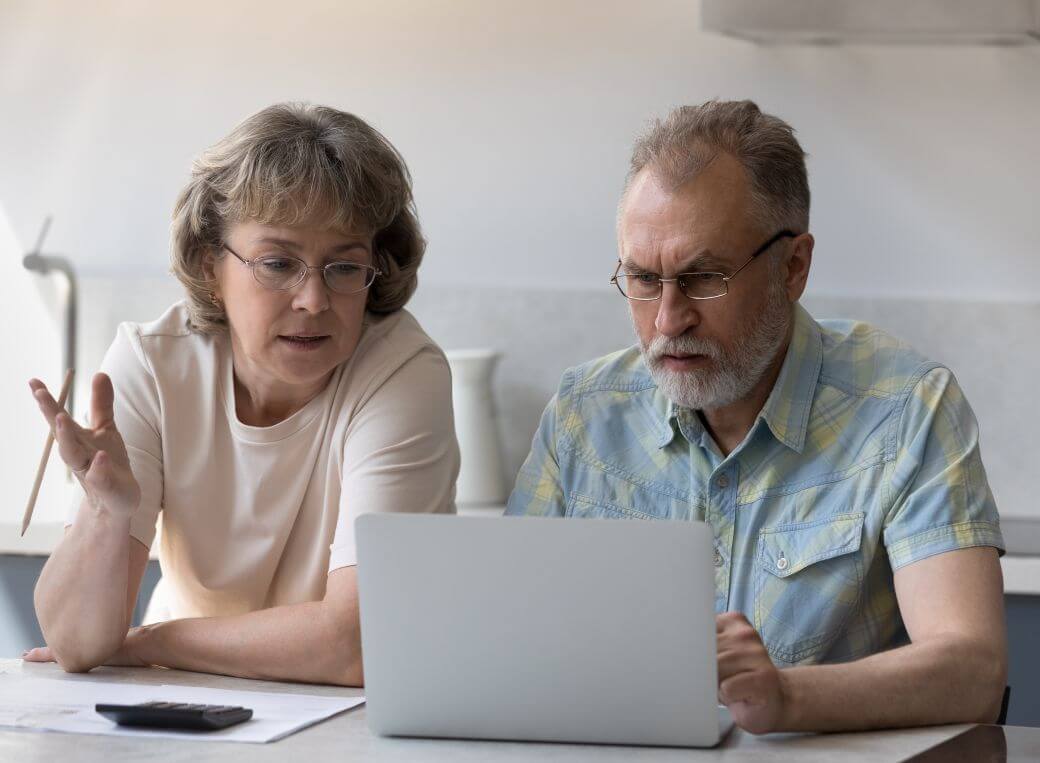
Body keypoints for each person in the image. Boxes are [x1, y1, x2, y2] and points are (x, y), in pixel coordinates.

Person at [506, 100, 1006, 733]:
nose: (667, 319)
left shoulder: (907, 410)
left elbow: (972, 672)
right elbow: (511, 641)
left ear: (792, 267)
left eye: (704, 277)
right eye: (641, 278)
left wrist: (787, 698)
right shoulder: (585, 412)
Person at [25, 103, 459, 685]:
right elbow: (77, 644)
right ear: (211, 267)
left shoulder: (401, 369)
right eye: (278, 263)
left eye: (344, 267)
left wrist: (153, 640)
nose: (313, 300)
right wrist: (107, 512)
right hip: (178, 695)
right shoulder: (153, 363)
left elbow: (358, 643)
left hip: (324, 708)